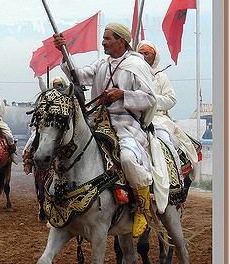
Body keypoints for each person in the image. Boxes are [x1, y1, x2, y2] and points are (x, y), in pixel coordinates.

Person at [54, 23, 157, 237]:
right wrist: (64, 53)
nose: (103, 42)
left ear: (121, 40)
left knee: (128, 159)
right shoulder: (102, 63)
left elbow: (149, 99)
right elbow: (79, 76)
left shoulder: (136, 65)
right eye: (103, 38)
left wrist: (123, 95)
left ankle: (142, 206)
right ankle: (59, 198)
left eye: (107, 38)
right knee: (63, 148)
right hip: (96, 123)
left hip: (126, 125)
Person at [137, 40, 200, 168]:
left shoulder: (160, 77)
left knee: (165, 141)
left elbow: (171, 99)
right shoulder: (130, 74)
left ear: (154, 57)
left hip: (157, 119)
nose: (143, 57)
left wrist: (150, 100)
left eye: (147, 53)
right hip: (133, 118)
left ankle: (175, 174)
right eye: (140, 53)